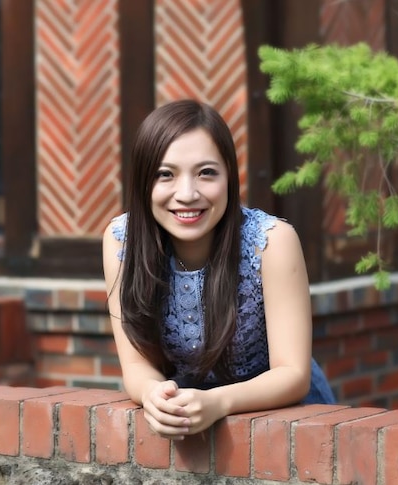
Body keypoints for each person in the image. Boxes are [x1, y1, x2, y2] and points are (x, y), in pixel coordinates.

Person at [102, 99, 336, 440]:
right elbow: (137, 365)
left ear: (230, 177)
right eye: (165, 174)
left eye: (206, 173)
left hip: (289, 425)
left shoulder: (271, 242)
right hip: (187, 421)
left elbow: (293, 373)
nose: (187, 194)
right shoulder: (121, 241)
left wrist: (217, 402)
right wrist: (153, 395)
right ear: (143, 183)